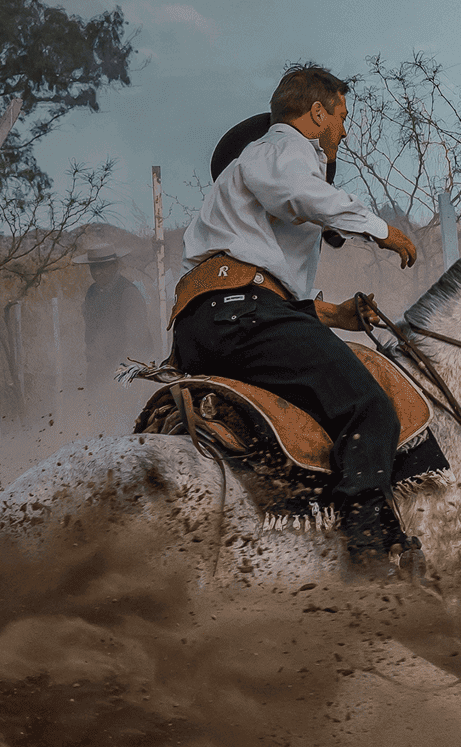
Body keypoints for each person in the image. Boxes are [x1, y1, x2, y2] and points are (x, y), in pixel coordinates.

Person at [170, 62, 421, 576]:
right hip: (242, 316)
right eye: (342, 117)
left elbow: (264, 281)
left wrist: (335, 315)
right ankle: (369, 552)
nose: (344, 131)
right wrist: (381, 230)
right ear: (317, 113)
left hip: (210, 321)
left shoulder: (250, 180)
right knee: (369, 408)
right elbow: (301, 194)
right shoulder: (283, 147)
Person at [74, 243, 150, 390]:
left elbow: (136, 338)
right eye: (93, 267)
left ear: (114, 265)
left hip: (122, 368)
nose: (97, 272)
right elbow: (91, 330)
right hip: (98, 366)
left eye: (103, 266)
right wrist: (93, 360)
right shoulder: (92, 292)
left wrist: (123, 373)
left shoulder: (128, 293)